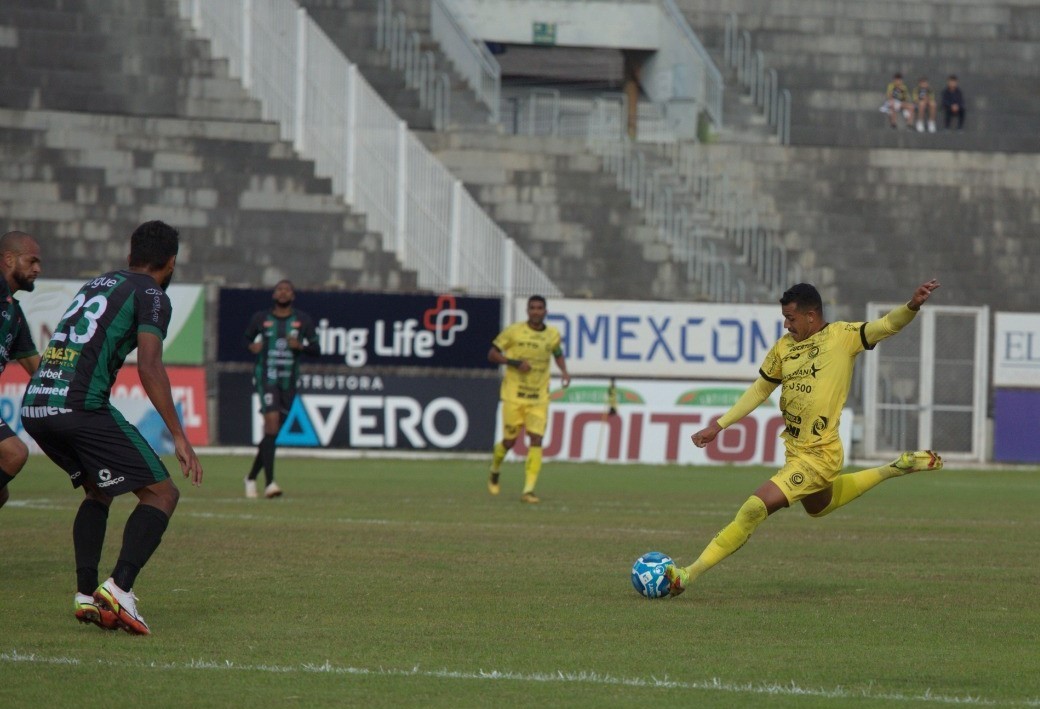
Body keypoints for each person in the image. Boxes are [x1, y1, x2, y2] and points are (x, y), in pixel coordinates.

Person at [665, 280, 944, 597]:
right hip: (796, 451)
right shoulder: (784, 347)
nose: (786, 324)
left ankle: (686, 576)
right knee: (819, 508)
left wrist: (911, 306)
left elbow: (887, 325)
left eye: (791, 318)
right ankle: (893, 468)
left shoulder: (843, 337)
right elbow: (761, 388)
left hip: (820, 455)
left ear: (812, 316)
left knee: (754, 509)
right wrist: (719, 424)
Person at [21, 220, 203, 634]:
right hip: (79, 405)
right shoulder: (152, 293)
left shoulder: (98, 284)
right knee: (161, 493)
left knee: (98, 491)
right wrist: (178, 434)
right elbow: (151, 365)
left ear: (129, 255)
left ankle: (87, 595)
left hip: (37, 404)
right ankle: (119, 589)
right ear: (171, 262)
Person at [487, 295, 570, 503]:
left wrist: (565, 371)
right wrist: (514, 362)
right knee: (509, 441)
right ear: (527, 311)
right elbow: (492, 354)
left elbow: (557, 353)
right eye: (532, 308)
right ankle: (495, 468)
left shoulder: (552, 335)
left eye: (539, 308)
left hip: (538, 397)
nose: (536, 311)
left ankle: (528, 490)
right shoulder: (514, 331)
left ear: (545, 311)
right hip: (514, 396)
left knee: (536, 439)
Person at [243, 279, 319, 499]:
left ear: (293, 296)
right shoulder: (261, 318)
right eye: (279, 289)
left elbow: (316, 348)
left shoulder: (302, 320)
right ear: (274, 294)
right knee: (272, 424)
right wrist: (251, 346)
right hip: (267, 377)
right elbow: (245, 339)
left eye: (287, 290)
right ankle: (270, 483)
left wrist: (301, 346)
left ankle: (250, 478)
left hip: (289, 381)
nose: (283, 293)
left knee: (272, 434)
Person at [0, 231, 42, 510]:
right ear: (9, 259)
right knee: (14, 453)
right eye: (32, 261)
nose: (38, 269)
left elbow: (38, 370)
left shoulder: (13, 313)